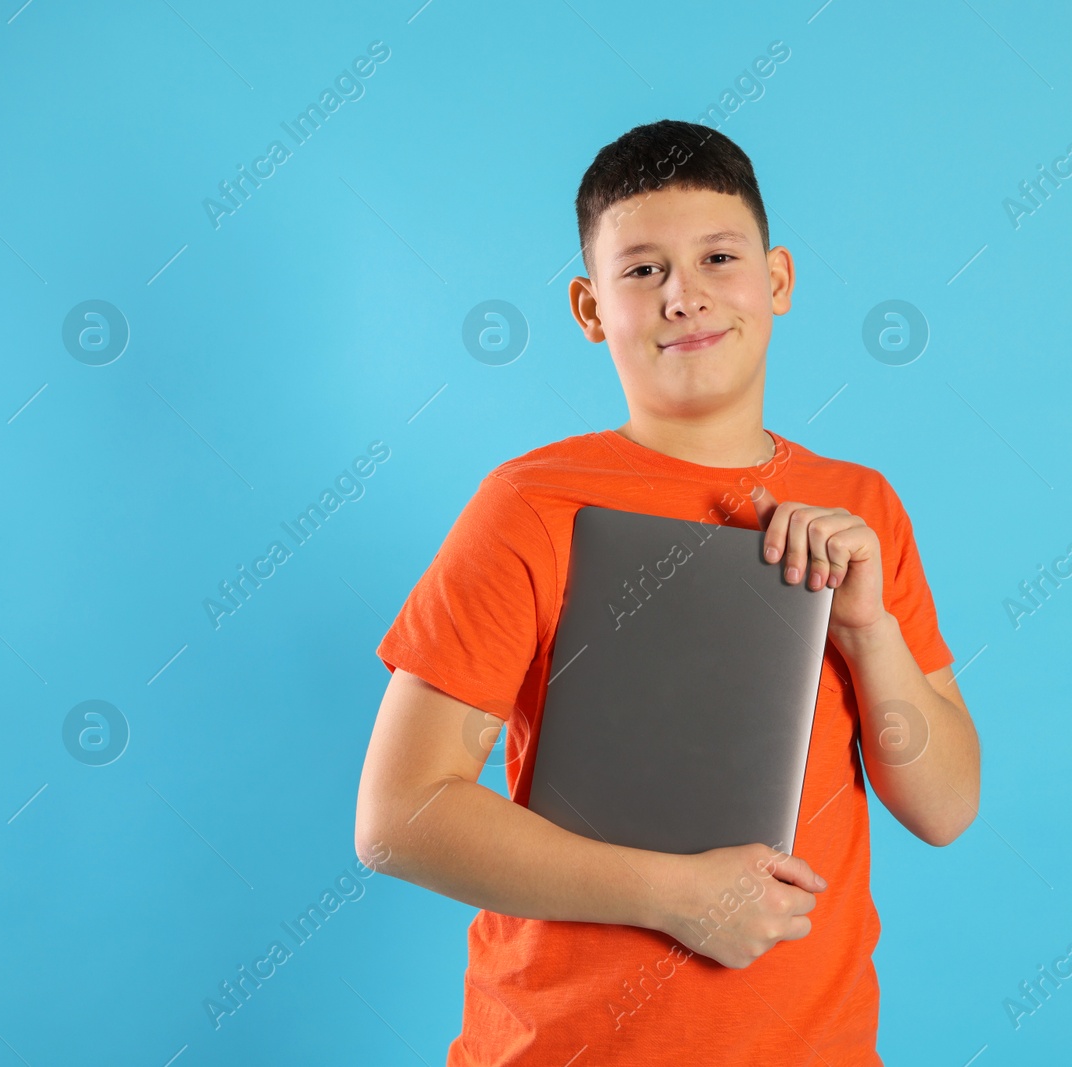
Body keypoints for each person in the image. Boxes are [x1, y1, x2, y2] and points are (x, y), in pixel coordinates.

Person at [354, 118, 981, 1065]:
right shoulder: (530, 505)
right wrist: (675, 895)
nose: (683, 296)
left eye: (717, 257)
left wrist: (869, 632)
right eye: (642, 270)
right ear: (590, 307)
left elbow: (946, 806)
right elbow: (399, 818)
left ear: (776, 280)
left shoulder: (861, 505)